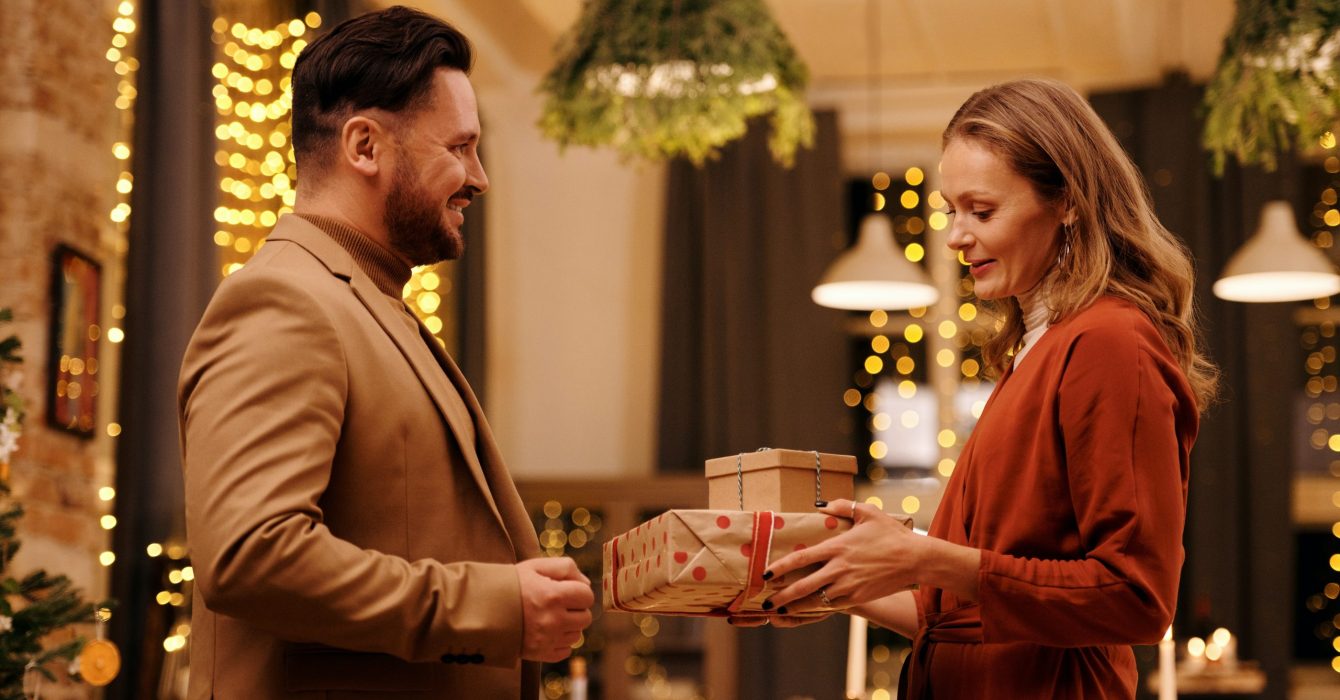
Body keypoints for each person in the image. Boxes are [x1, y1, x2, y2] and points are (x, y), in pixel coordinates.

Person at [177, 7, 593, 698]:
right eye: (459, 147)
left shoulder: (371, 304)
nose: (478, 177)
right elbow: (252, 556)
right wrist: (494, 607)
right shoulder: (286, 302)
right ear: (364, 146)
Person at [762, 78, 1218, 698]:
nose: (955, 236)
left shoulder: (1109, 341)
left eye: (982, 210)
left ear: (1069, 203)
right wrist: (840, 577)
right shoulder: (1039, 347)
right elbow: (965, 618)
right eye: (953, 211)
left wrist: (922, 556)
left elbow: (1137, 598)